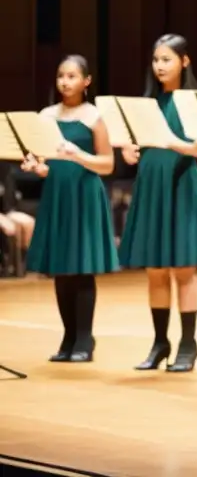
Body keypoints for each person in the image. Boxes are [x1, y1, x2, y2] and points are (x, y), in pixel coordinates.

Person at [118, 34, 197, 373]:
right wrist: (129, 150)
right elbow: (133, 142)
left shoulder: (194, 101)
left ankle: (188, 343)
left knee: (183, 269)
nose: (159, 65)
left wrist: (173, 143)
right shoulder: (149, 102)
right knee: (155, 270)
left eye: (167, 59)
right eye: (156, 59)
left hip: (181, 184)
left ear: (184, 62)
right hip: (152, 184)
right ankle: (160, 342)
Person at [23, 55, 118, 362]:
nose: (65, 81)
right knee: (61, 270)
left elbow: (107, 164)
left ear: (86, 81)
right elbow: (47, 161)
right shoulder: (47, 116)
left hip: (85, 194)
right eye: (61, 76)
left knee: (81, 267)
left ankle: (84, 339)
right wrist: (38, 168)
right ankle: (67, 336)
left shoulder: (94, 116)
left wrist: (78, 156)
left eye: (72, 76)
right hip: (58, 194)